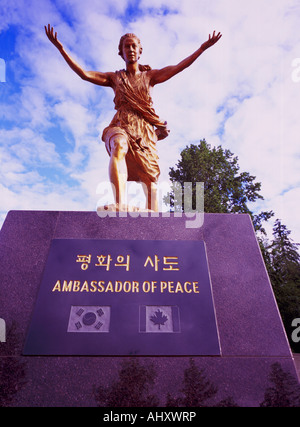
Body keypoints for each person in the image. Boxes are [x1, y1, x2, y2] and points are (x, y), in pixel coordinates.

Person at [45, 24, 222, 211]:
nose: (130, 49)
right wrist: (61, 48)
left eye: (133, 46)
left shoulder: (150, 76)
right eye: (126, 47)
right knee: (119, 145)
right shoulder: (114, 78)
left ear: (140, 51)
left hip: (144, 130)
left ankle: (153, 220)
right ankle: (120, 203)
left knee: (150, 179)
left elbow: (178, 67)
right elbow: (84, 74)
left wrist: (201, 49)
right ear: (120, 52)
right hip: (121, 123)